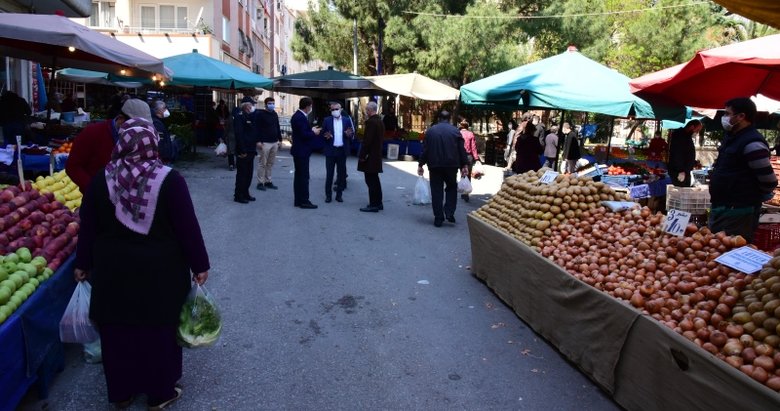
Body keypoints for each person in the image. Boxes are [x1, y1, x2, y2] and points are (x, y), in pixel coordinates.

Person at [73, 112, 210, 411]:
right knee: (159, 332)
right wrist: (200, 264)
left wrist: (82, 262)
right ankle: (160, 393)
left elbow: (89, 226)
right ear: (153, 144)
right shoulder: (169, 180)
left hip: (112, 271)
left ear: (121, 144)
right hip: (160, 273)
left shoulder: (102, 179)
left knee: (117, 332)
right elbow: (187, 226)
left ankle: (121, 393)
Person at [709, 97, 778, 243]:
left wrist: (746, 193)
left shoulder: (752, 143)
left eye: (728, 114)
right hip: (723, 209)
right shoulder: (732, 138)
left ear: (741, 116)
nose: (724, 118)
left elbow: (769, 181)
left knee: (730, 254)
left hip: (738, 212)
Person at [66, 98, 148, 194]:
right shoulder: (93, 132)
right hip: (96, 200)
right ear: (121, 119)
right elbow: (73, 166)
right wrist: (94, 189)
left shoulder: (142, 138)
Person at [417, 110, 469, 227]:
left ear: (439, 118)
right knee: (451, 188)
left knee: (436, 191)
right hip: (451, 166)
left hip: (435, 165)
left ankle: (438, 218)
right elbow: (461, 150)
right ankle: (449, 212)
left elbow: (425, 150)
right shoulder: (456, 131)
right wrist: (464, 165)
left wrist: (421, 164)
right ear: (449, 118)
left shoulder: (431, 131)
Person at [290, 97, 322, 209]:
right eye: (311, 106)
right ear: (308, 106)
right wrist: (314, 132)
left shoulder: (298, 116)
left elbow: (302, 132)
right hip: (301, 151)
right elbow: (304, 135)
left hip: (300, 150)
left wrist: (310, 130)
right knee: (303, 176)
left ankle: (298, 200)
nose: (311, 108)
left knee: (299, 176)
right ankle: (304, 200)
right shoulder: (300, 117)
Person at [322, 101, 354, 203]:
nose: (335, 111)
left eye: (336, 109)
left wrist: (349, 134)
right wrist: (326, 136)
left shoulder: (346, 120)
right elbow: (323, 133)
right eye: (332, 109)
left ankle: (339, 195)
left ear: (340, 109)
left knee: (341, 175)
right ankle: (328, 195)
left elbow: (351, 133)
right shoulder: (326, 120)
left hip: (342, 151)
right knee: (329, 175)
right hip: (331, 151)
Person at [358, 101, 384, 212]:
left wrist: (362, 155)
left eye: (367, 110)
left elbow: (367, 141)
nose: (366, 112)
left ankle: (374, 204)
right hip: (376, 155)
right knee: (375, 180)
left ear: (370, 110)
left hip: (370, 157)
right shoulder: (380, 122)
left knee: (371, 181)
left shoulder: (371, 123)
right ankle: (378, 203)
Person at [233, 101, 258, 204]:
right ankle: (238, 195)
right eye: (251, 105)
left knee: (248, 174)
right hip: (244, 150)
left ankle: (245, 193)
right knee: (242, 175)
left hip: (251, 150)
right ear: (246, 106)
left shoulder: (249, 116)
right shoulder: (240, 117)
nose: (252, 107)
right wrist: (242, 150)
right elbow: (239, 134)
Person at [255, 97, 282, 191]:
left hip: (274, 142)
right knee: (262, 163)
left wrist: (280, 140)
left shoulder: (274, 114)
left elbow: (277, 127)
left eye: (273, 103)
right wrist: (258, 141)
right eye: (270, 103)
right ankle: (260, 182)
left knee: (270, 163)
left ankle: (268, 181)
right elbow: (257, 128)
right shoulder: (260, 114)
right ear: (266, 104)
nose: (272, 105)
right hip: (265, 143)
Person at [668, 119, 702, 187]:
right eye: (697, 130)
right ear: (692, 127)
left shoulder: (687, 136)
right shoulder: (679, 136)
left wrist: (694, 163)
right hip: (679, 173)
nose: (697, 133)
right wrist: (682, 171)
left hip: (684, 171)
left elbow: (687, 154)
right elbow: (677, 154)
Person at [459, 120, 478, 202]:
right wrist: (476, 158)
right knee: (468, 174)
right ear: (467, 126)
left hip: (460, 155)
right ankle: (466, 193)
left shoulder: (458, 133)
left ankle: (463, 190)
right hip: (468, 156)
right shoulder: (470, 134)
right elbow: (473, 147)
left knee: (462, 173)